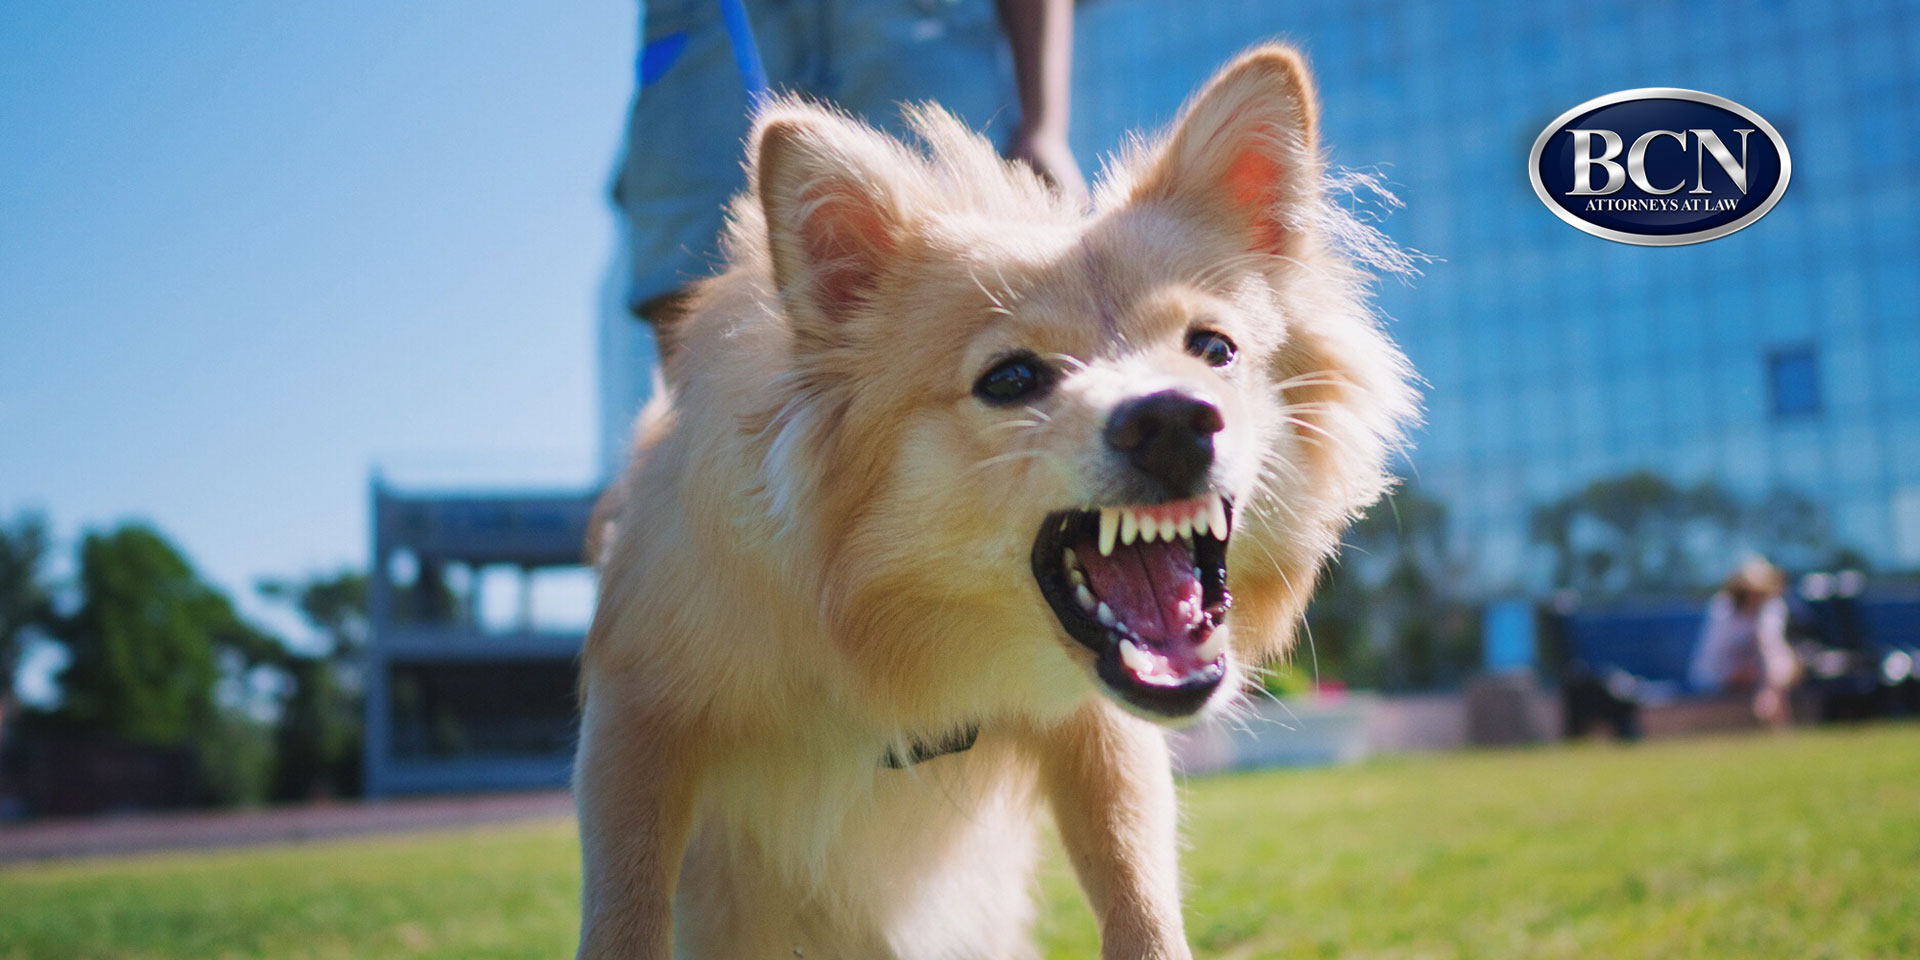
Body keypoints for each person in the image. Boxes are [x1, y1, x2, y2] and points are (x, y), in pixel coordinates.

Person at [612, 0, 1085, 341]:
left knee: (960, 286)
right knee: (692, 296)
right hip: (712, 22)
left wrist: (1044, 124)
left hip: (912, 23)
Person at [1689, 557, 1799, 729]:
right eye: (1747, 592)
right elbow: (1710, 661)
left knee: (1781, 667)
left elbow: (1771, 649)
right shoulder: (1721, 608)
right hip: (1724, 675)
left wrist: (1766, 690)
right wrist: (1734, 675)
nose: (1752, 598)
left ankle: (1781, 729)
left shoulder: (1773, 607)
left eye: (1759, 592)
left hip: (1765, 676)